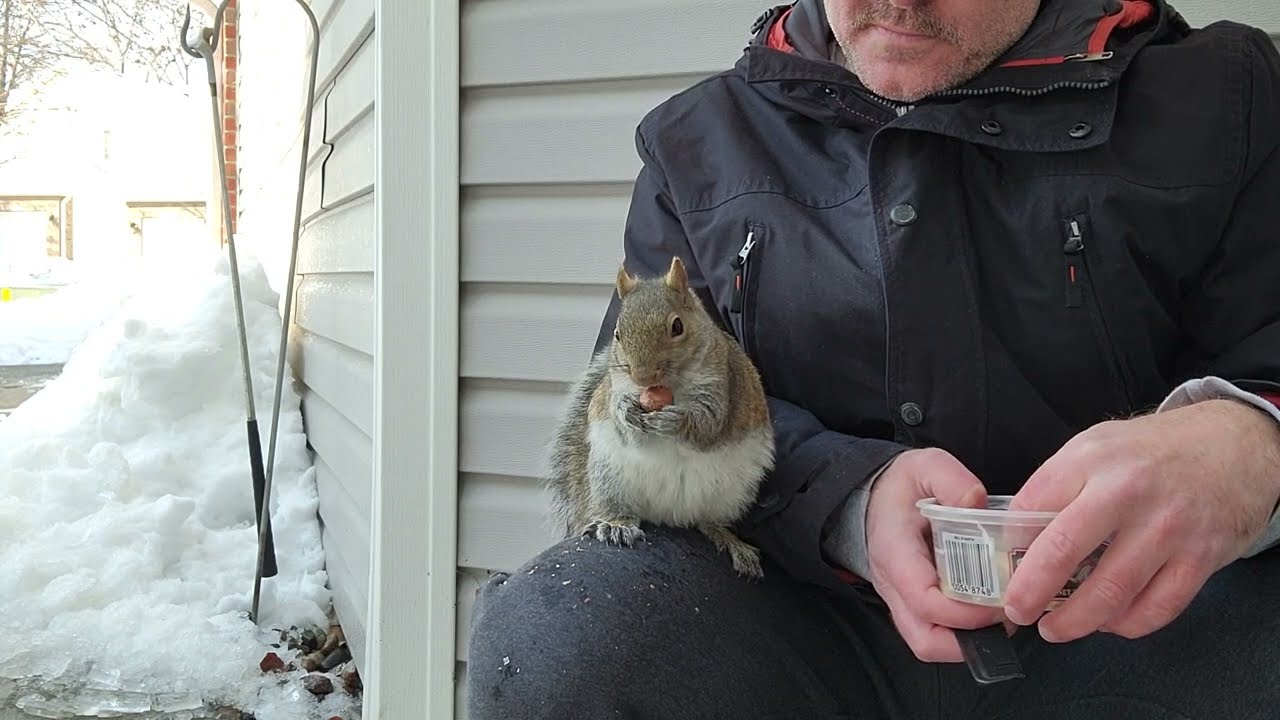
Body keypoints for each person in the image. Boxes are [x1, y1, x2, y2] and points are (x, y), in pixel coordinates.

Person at [466, 0, 1280, 717]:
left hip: (1141, 616)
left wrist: (1248, 438)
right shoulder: (697, 143)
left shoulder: (1225, 97)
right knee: (556, 631)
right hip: (800, 610)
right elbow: (637, 395)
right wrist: (848, 499)